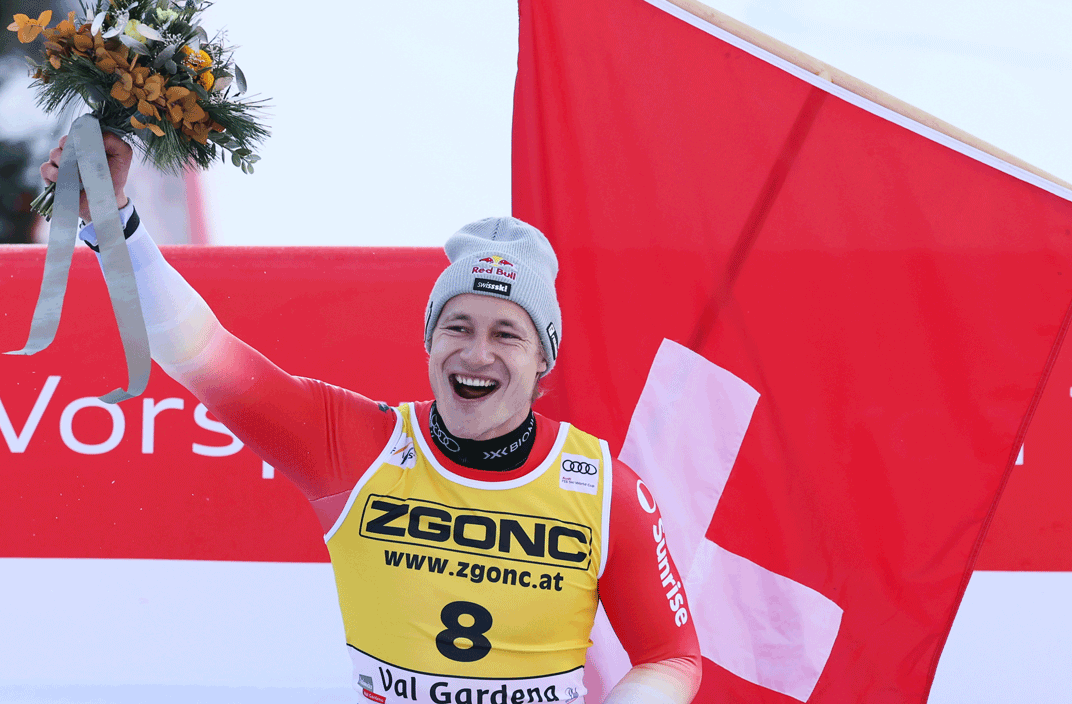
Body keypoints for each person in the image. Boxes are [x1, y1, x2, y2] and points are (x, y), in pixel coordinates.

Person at [42, 134, 701, 703]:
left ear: (543, 361)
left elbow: (671, 657)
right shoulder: (357, 446)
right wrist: (112, 219)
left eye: (507, 334)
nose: (477, 353)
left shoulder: (603, 488)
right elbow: (197, 352)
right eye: (458, 327)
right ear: (430, 341)